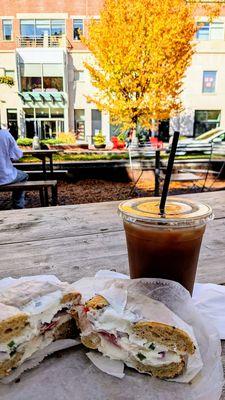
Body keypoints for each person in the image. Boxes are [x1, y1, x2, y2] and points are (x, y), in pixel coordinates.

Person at [0, 128, 28, 209]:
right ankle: (18, 205)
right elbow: (17, 155)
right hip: (4, 176)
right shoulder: (5, 134)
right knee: (24, 176)